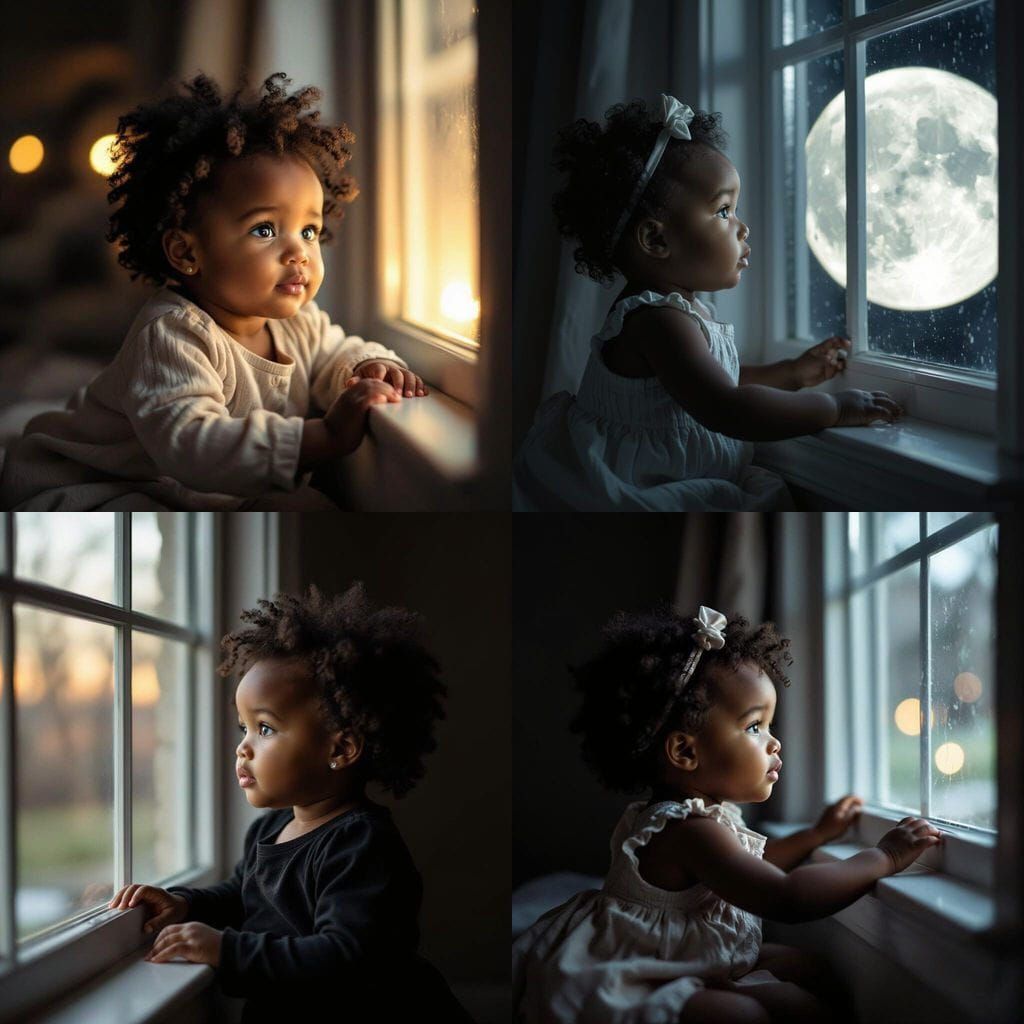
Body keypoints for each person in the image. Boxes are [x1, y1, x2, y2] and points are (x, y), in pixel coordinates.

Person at [0, 72, 429, 511]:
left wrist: (371, 367)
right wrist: (326, 436)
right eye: (265, 229)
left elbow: (338, 353)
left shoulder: (300, 324)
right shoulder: (171, 333)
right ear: (187, 251)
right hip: (92, 483)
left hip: (183, 487)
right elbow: (192, 443)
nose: (298, 252)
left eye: (309, 230)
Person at [513, 604, 944, 1023]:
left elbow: (753, 866)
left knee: (809, 971)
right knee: (741, 1014)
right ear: (685, 751)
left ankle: (724, 985)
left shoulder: (711, 817)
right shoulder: (684, 829)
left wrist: (815, 835)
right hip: (638, 970)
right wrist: (882, 857)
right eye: (755, 727)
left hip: (684, 953)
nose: (774, 743)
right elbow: (785, 895)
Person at [514, 95, 904, 510]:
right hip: (641, 490)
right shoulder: (656, 320)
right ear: (657, 239)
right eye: (723, 211)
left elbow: (715, 383)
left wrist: (791, 372)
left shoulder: (678, 312)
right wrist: (833, 409)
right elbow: (726, 406)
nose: (742, 225)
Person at [108, 583, 473, 1022]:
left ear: (340, 750)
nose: (242, 748)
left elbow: (345, 956)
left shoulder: (362, 845)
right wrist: (185, 905)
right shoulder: (270, 829)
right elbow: (243, 897)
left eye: (265, 729)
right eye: (243, 727)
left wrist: (226, 949)